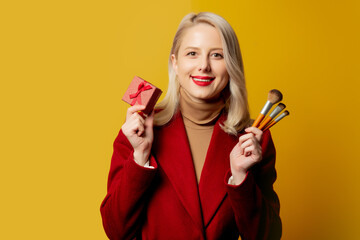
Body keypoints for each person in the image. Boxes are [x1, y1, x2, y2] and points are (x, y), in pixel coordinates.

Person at [100, 12, 282, 240]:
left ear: (231, 65)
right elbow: (116, 232)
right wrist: (140, 156)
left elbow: (269, 236)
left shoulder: (255, 139)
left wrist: (240, 177)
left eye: (217, 55)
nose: (203, 66)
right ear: (175, 63)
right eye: (192, 53)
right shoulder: (137, 131)